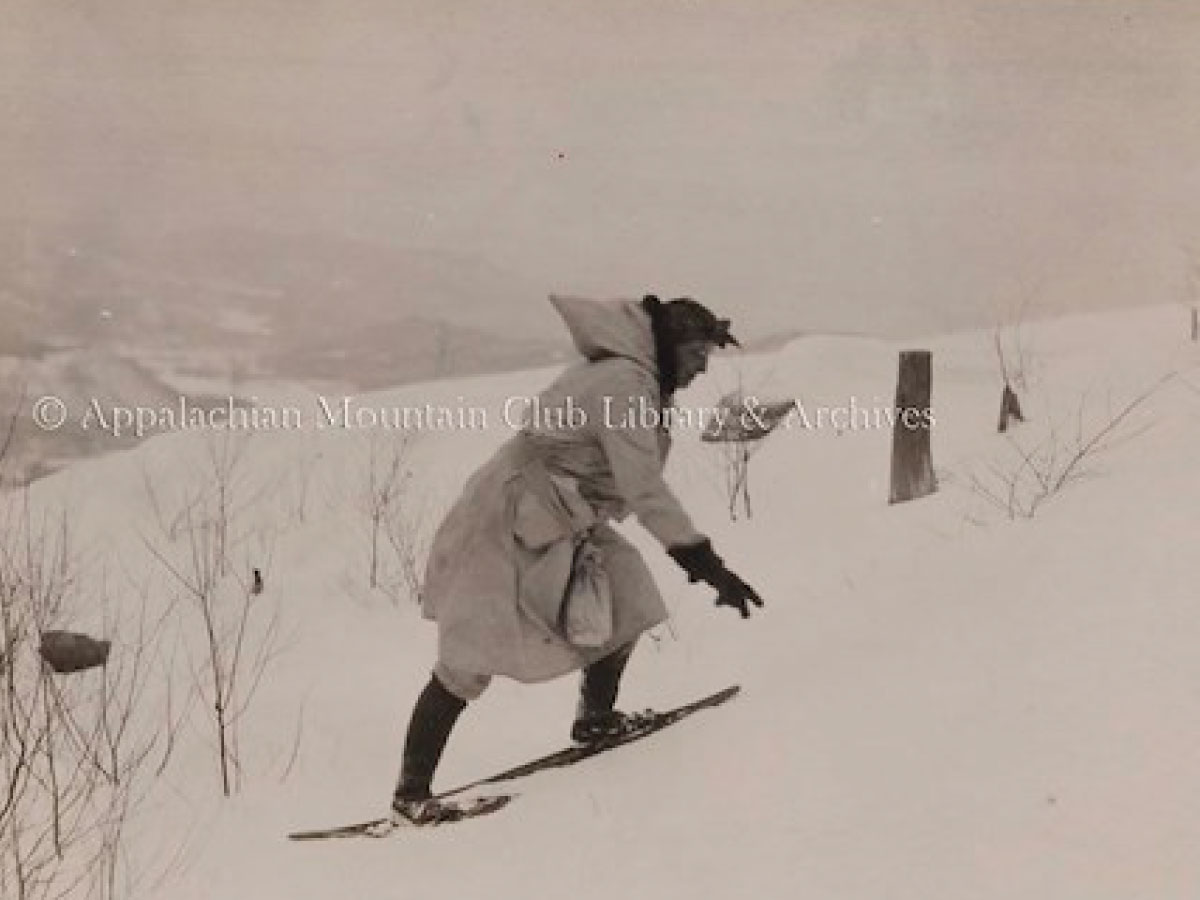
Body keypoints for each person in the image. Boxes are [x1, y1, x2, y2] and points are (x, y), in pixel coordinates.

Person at [391, 294, 764, 824]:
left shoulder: (640, 382)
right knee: (469, 654)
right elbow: (644, 489)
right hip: (506, 518)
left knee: (631, 591)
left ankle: (596, 720)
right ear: (671, 345)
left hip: (562, 516)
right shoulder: (625, 385)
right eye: (699, 351)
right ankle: (411, 795)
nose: (704, 365)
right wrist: (707, 565)